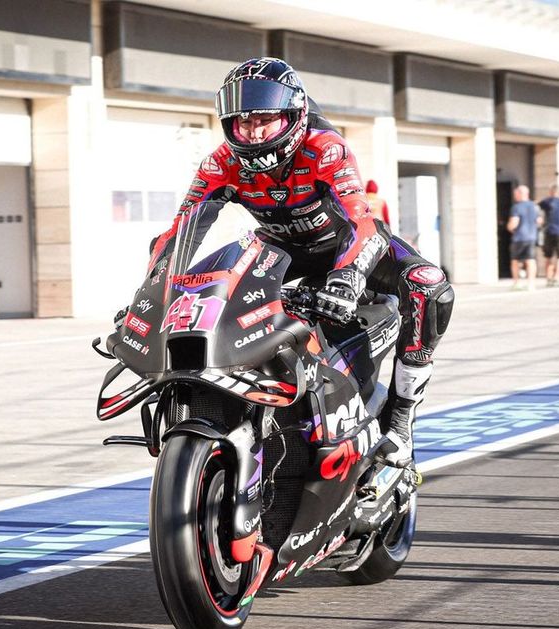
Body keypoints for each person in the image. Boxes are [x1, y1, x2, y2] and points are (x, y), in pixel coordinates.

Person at [146, 57, 455, 467]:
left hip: (345, 247)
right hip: (280, 251)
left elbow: (361, 219)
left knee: (428, 285)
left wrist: (347, 277)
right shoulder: (221, 162)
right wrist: (153, 293)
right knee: (206, 292)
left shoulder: (325, 148)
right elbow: (181, 231)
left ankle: (401, 416)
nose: (254, 133)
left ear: (293, 117)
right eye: (244, 123)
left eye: (265, 121)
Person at [506, 185, 542, 290]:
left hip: (519, 238)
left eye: (515, 194)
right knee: (530, 260)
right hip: (531, 237)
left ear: (520, 194)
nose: (514, 196)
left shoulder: (517, 207)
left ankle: (517, 283)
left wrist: (509, 227)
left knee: (515, 261)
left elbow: (514, 223)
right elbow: (539, 221)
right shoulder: (535, 206)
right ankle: (531, 284)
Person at [538, 185, 559, 287]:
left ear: (550, 192)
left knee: (548, 256)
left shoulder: (547, 202)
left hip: (549, 231)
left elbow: (537, 205)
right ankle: (556, 278)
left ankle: (549, 279)